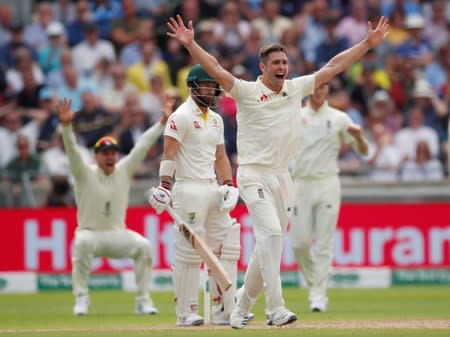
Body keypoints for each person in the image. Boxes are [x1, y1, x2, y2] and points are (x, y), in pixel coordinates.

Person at [165, 14, 388, 329]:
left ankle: (241, 306)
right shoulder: (245, 92)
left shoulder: (295, 89)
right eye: (276, 63)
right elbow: (215, 68)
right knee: (270, 235)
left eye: (285, 62)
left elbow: (334, 67)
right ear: (263, 67)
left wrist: (367, 43)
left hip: (283, 176)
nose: (282, 67)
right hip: (253, 173)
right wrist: (190, 44)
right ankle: (275, 309)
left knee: (268, 245)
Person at [56, 94, 174, 316]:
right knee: (80, 243)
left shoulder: (124, 170)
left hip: (117, 234)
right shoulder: (84, 173)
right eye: (105, 154)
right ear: (96, 156)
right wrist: (66, 126)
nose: (110, 157)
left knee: (144, 247)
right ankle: (81, 297)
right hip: (90, 234)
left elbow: (142, 146)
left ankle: (143, 301)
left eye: (113, 153)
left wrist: (161, 123)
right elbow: (72, 151)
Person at [148, 64, 241, 326]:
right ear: (194, 86)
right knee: (189, 252)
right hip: (188, 188)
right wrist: (165, 185)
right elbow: (169, 153)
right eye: (209, 85)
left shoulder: (216, 119)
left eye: (215, 86)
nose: (213, 90)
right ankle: (186, 312)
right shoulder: (181, 116)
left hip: (213, 187)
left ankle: (225, 309)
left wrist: (229, 184)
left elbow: (221, 156)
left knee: (228, 244)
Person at [290, 83, 369, 313]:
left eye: (323, 86)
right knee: (299, 244)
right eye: (315, 86)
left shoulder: (339, 118)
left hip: (327, 182)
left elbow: (364, 152)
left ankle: (318, 295)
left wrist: (360, 138)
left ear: (328, 90)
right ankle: (317, 281)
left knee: (324, 243)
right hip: (300, 184)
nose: (318, 90)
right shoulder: (295, 117)